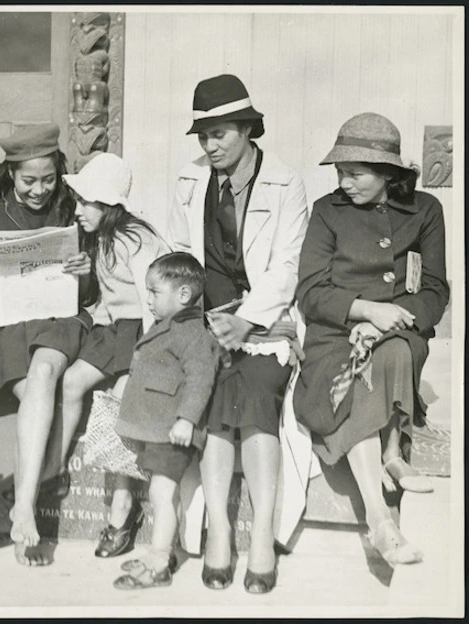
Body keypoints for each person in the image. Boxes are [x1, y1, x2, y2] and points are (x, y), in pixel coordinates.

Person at [167, 74, 308, 594]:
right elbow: (179, 254)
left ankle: (263, 536)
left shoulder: (285, 182)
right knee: (212, 392)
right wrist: (199, 316)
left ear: (248, 128)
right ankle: (222, 533)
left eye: (221, 134)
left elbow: (288, 265)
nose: (211, 146)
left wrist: (247, 320)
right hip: (205, 316)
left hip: (265, 320)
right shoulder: (189, 178)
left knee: (254, 393)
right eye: (203, 136)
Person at [293, 112, 449, 566]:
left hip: (399, 331)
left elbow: (435, 290)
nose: (345, 182)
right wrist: (363, 311)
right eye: (340, 172)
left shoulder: (425, 211)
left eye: (355, 173)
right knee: (360, 373)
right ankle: (380, 517)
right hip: (334, 336)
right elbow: (310, 292)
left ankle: (392, 460)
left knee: (395, 350)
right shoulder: (327, 212)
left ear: (387, 173)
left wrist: (388, 321)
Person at [0, 123, 93, 566]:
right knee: (37, 388)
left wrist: (82, 269)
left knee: (44, 373)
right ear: (12, 175)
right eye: (29, 181)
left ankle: (24, 509)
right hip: (5, 331)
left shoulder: (71, 206)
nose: (39, 190)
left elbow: (90, 288)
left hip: (57, 320)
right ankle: (27, 507)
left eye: (48, 179)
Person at [58, 152, 172, 561]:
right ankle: (57, 465)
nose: (77, 210)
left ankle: (123, 509)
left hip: (141, 331)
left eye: (84, 202)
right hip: (112, 330)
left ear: (107, 204)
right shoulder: (102, 237)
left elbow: (151, 299)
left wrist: (149, 353)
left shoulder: (136, 238)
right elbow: (105, 297)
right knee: (72, 381)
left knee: (123, 398)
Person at [111, 252, 220, 589]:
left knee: (161, 493)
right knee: (163, 494)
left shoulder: (192, 333)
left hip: (170, 430)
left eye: (155, 292)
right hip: (156, 428)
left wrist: (187, 419)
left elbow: (201, 377)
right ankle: (161, 552)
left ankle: (158, 562)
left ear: (184, 295)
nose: (149, 300)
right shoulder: (168, 327)